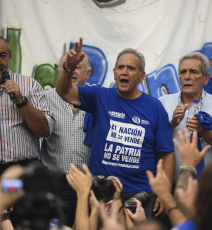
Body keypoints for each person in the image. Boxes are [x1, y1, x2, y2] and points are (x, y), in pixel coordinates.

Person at [56, 38, 175, 218]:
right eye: (120, 67)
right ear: (114, 72)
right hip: (102, 194)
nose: (124, 72)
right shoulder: (99, 96)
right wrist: (68, 68)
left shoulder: (155, 107)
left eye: (131, 68)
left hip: (141, 196)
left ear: (142, 76)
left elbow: (167, 154)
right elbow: (64, 91)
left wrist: (164, 192)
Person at [0, 35, 54, 187]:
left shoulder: (29, 86)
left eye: (2, 56)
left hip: (20, 176)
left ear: (10, 57)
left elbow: (45, 131)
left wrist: (21, 101)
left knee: (19, 212)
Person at [159, 52, 212, 182]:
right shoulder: (163, 103)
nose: (187, 77)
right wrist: (172, 124)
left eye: (193, 72)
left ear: (206, 78)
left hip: (211, 189)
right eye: (182, 72)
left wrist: (205, 132)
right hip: (174, 187)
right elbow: (153, 146)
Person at [40, 52, 92, 226]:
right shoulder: (46, 98)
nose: (71, 71)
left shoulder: (98, 99)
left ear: (88, 73)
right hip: (54, 184)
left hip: (87, 184)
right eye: (66, 67)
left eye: (76, 67)